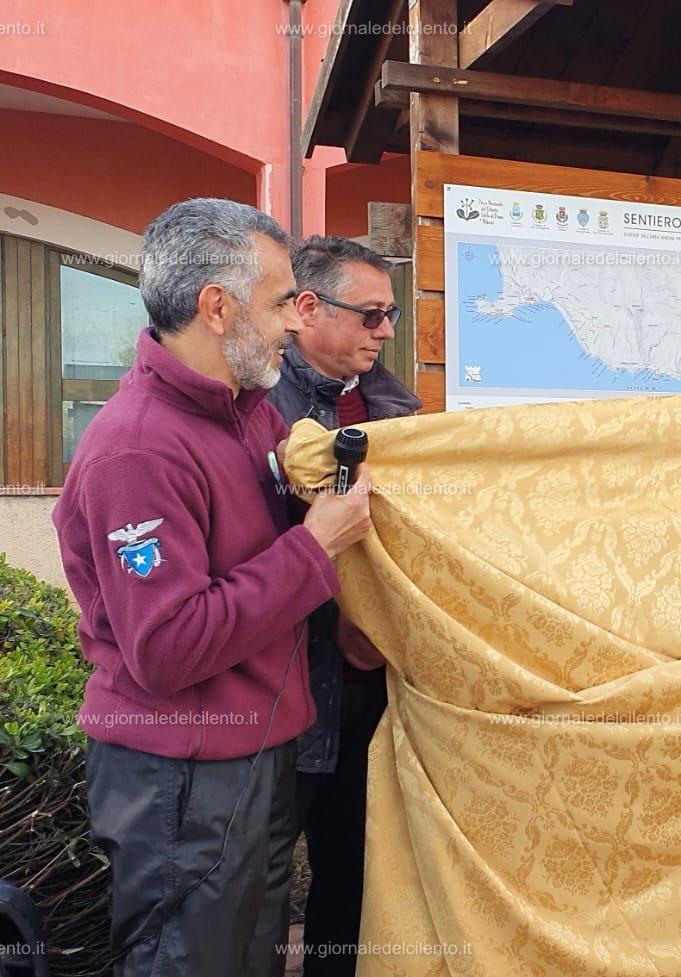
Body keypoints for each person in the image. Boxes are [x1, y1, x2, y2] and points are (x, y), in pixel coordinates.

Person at [52, 198, 372, 977]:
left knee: (249, 961)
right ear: (216, 306)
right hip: (180, 778)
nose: (293, 325)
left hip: (258, 753)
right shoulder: (136, 449)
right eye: (278, 303)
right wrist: (315, 545)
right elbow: (167, 647)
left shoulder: (247, 415)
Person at [266, 235, 420, 977]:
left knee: (352, 884)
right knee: (252, 893)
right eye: (370, 315)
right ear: (306, 308)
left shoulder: (403, 411)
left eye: (388, 315)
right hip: (279, 688)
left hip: (366, 693)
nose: (385, 331)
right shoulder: (255, 410)